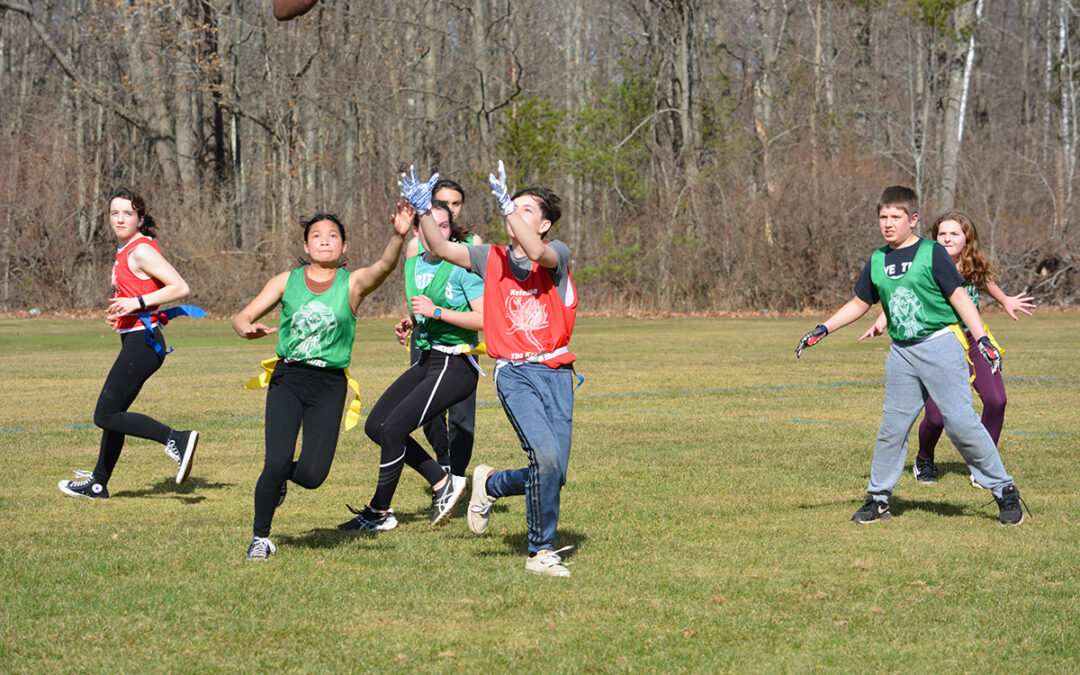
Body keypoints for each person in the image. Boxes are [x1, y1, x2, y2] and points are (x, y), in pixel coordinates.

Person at [795, 186, 1028, 526]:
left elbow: (960, 297)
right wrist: (823, 328)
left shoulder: (932, 252)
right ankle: (878, 499)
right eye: (883, 217)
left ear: (913, 219)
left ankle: (1004, 490)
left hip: (940, 343)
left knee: (962, 424)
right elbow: (861, 302)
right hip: (901, 352)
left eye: (895, 217)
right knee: (892, 427)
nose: (888, 224)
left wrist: (982, 341)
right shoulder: (877, 260)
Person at [402, 161, 579, 577]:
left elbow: (536, 252)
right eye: (510, 206)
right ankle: (540, 552)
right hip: (515, 373)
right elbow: (443, 249)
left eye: (525, 210)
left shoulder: (558, 254)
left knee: (554, 473)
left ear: (545, 224)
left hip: (555, 372)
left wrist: (506, 208)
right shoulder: (489, 257)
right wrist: (423, 210)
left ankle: (490, 484)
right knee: (546, 459)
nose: (514, 213)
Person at [233, 207, 411, 560]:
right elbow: (243, 316)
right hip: (289, 377)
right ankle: (260, 537)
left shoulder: (353, 284)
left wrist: (399, 235)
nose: (324, 240)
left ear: (344, 247)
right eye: (317, 235)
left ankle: (280, 479)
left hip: (329, 385)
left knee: (313, 475)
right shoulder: (286, 281)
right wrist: (244, 327)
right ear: (306, 244)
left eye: (332, 236)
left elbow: (385, 267)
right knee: (276, 460)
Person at [338, 199, 484, 531]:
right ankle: (441, 480)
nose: (439, 232)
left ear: (451, 231)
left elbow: (485, 319)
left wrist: (436, 313)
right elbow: (428, 305)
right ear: (418, 231)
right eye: (432, 225)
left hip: (456, 364)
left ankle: (380, 512)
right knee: (376, 426)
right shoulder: (413, 264)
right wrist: (413, 320)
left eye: (445, 227)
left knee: (393, 429)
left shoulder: (463, 266)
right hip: (428, 359)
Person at [859, 211, 1035, 485]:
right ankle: (925, 459)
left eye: (954, 233)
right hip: (941, 343)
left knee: (997, 400)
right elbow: (901, 293)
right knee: (937, 416)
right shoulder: (926, 262)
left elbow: (987, 286)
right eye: (942, 234)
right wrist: (882, 320)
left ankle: (983, 467)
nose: (947, 238)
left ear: (967, 238)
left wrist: (1006, 300)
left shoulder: (973, 266)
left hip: (975, 340)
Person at [58, 187, 202, 500]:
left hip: (144, 343)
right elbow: (139, 295)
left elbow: (180, 287)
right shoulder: (126, 251)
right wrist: (122, 312)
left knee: (104, 415)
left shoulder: (140, 250)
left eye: (128, 213)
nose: (120, 218)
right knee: (116, 414)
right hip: (135, 339)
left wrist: (135, 303)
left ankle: (176, 438)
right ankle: (98, 483)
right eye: (114, 213)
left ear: (140, 217)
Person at [397, 179, 483, 480]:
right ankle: (444, 461)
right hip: (425, 341)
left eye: (456, 203)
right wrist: (411, 318)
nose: (452, 208)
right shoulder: (414, 246)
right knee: (429, 414)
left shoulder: (472, 244)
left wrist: (440, 312)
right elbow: (417, 291)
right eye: (444, 202)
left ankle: (456, 474)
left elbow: (478, 302)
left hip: (459, 343)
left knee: (461, 416)